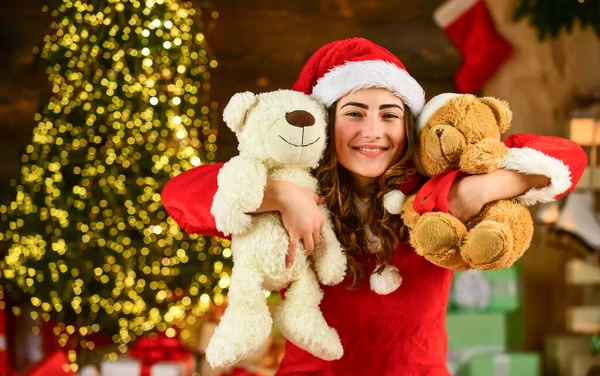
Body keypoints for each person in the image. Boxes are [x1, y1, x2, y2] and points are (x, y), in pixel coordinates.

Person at [161, 38, 587, 375]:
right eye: (355, 113)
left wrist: (479, 190)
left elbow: (570, 157)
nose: (373, 131)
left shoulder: (433, 187)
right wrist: (283, 196)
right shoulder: (294, 187)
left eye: (388, 114)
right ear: (326, 121)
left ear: (408, 123)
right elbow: (179, 195)